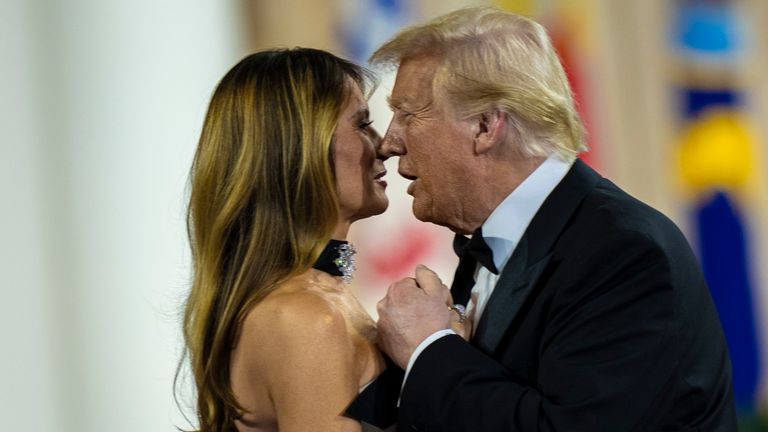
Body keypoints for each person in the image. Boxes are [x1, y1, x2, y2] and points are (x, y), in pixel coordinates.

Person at [354, 7, 737, 431]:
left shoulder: (622, 252)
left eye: (408, 115)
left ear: (485, 125)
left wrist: (428, 347)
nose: (388, 143)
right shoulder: (499, 241)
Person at [179, 48, 395, 432]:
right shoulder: (306, 317)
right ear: (301, 147)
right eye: (363, 125)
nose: (384, 146)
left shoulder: (313, 298)